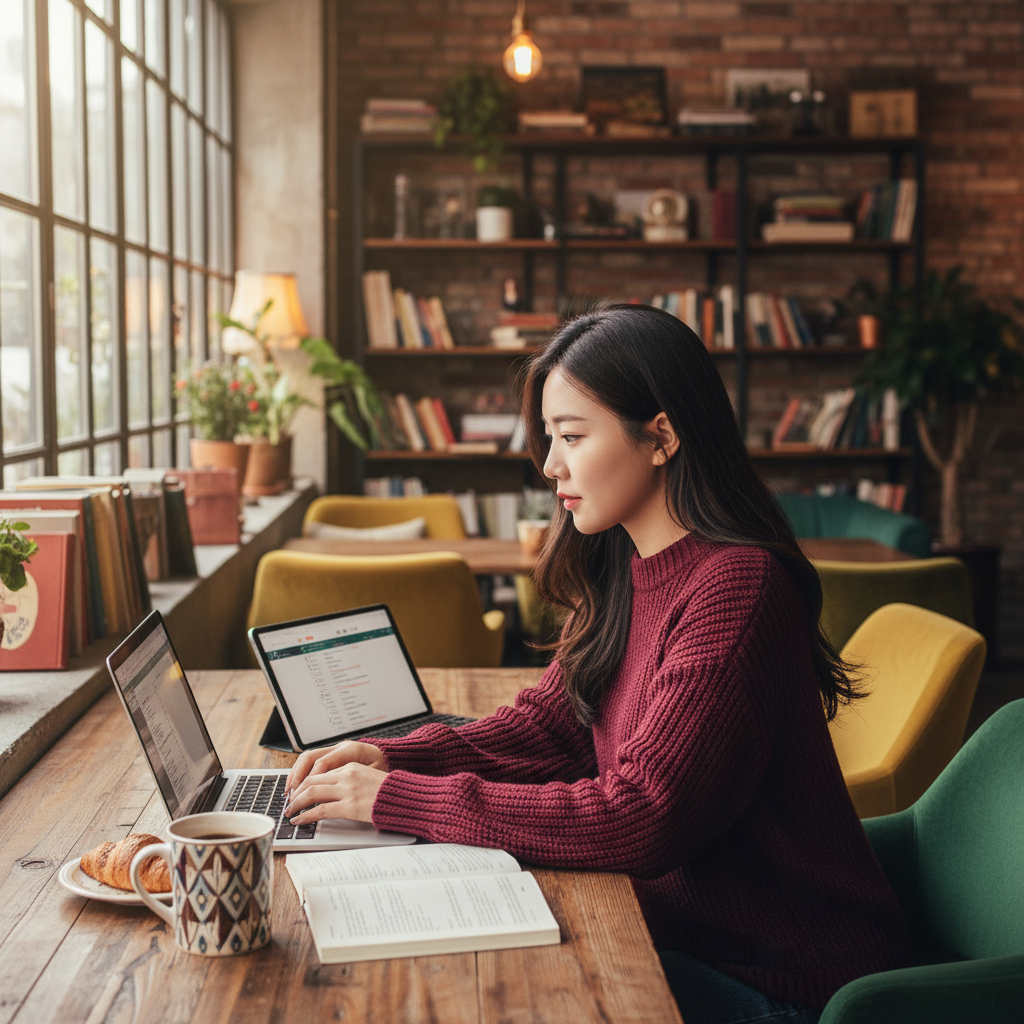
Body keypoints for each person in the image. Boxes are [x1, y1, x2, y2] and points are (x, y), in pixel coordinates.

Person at [285, 304, 913, 1024]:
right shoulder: (627, 562)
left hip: (787, 985)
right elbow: (551, 728)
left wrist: (394, 800)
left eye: (572, 436)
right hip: (687, 941)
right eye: (550, 437)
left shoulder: (739, 589)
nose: (550, 464)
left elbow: (643, 817)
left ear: (661, 437)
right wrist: (391, 758)